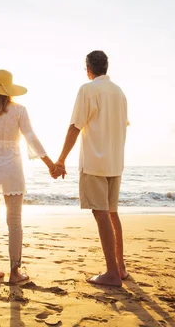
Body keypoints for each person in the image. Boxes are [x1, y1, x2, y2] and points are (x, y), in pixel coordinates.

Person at [0, 69, 57, 284]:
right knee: (15, 221)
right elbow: (31, 138)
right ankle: (15, 273)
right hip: (12, 167)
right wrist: (50, 164)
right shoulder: (19, 110)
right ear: (10, 90)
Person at [53, 50, 129, 287]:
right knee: (112, 212)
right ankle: (120, 267)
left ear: (88, 69)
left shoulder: (87, 90)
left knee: (101, 214)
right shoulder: (119, 92)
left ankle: (111, 273)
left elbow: (75, 126)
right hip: (115, 162)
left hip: (95, 162)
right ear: (106, 67)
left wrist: (61, 159)